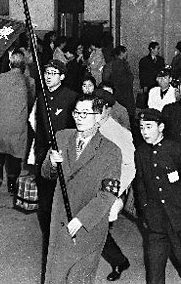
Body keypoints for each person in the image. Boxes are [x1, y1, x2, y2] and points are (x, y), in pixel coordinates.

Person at [41, 94, 121, 284]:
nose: (79, 117)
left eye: (86, 113)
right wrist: (51, 164)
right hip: (60, 221)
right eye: (77, 112)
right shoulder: (61, 137)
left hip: (88, 227)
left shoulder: (111, 151)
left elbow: (108, 193)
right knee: (55, 278)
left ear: (99, 116)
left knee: (78, 279)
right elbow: (46, 174)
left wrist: (82, 219)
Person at [135, 108, 181, 284]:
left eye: (149, 127)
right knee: (154, 268)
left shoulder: (179, 151)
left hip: (180, 219)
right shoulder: (141, 152)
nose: (144, 132)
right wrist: (144, 209)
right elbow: (141, 183)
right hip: (155, 219)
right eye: (142, 127)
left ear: (161, 127)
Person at [34, 59, 78, 266]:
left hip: (65, 158)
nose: (48, 76)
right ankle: (50, 242)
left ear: (62, 76)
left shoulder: (71, 98)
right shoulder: (41, 97)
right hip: (45, 158)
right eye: (46, 72)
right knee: (45, 206)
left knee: (64, 204)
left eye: (53, 73)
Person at [93, 88, 135, 282]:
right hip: (90, 185)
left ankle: (118, 261)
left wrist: (116, 192)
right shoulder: (88, 126)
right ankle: (118, 260)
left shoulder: (119, 133)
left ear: (108, 110)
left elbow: (130, 165)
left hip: (110, 190)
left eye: (99, 108)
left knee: (96, 227)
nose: (94, 112)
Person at [0, 51, 35, 194]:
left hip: (0, 122)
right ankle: (12, 185)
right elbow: (30, 102)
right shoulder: (29, 81)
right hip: (19, 123)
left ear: (10, 63)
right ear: (23, 65)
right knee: (15, 155)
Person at [106, 45, 135, 119]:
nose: (127, 55)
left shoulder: (113, 63)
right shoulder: (120, 64)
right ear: (122, 53)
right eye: (126, 52)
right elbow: (122, 79)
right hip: (123, 93)